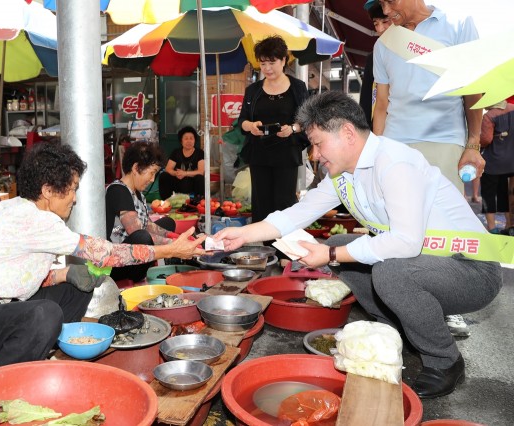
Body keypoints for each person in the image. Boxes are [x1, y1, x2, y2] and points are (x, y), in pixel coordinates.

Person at [215, 91, 503, 399]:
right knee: (344, 244)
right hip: (424, 263)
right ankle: (393, 327)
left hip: (472, 270)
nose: (314, 155)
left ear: (348, 133)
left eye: (317, 143)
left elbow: (405, 242)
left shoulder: (394, 162)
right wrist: (243, 235)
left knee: (387, 271)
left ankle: (444, 360)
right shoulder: (344, 175)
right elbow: (296, 214)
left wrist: (330, 254)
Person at [0, 141, 205, 378]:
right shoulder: (33, 219)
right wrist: (169, 251)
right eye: (73, 188)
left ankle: (40, 348)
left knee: (74, 289)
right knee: (45, 315)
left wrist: (64, 276)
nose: (75, 198)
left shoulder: (21, 210)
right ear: (48, 191)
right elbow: (106, 252)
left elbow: (11, 274)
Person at [372, 0, 485, 337]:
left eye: (390, 2)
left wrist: (473, 143)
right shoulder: (385, 43)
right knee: (394, 222)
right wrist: (375, 152)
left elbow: (473, 90)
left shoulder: (459, 25)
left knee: (444, 227)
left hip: (445, 139)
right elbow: (381, 103)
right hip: (396, 142)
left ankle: (449, 306)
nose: (387, 10)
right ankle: (395, 303)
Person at [237, 35, 310, 225]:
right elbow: (242, 122)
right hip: (259, 155)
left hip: (286, 155)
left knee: (284, 204)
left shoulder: (298, 87)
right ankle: (267, 252)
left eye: (272, 62)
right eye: (262, 64)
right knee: (261, 205)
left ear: (284, 60)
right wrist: (251, 127)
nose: (267, 68)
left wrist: (293, 128)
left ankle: (284, 251)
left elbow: (307, 120)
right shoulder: (253, 90)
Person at [107, 141, 181, 282]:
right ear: (136, 168)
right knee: (142, 238)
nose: (152, 179)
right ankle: (137, 277)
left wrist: (176, 237)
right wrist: (174, 246)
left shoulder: (138, 193)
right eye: (152, 173)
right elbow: (136, 231)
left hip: (134, 254)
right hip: (117, 263)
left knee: (168, 223)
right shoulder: (118, 191)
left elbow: (147, 225)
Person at [479, 100, 514, 234]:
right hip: (511, 161)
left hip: (493, 162)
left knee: (488, 194)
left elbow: (486, 139)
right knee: (507, 193)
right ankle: (509, 225)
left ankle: (492, 227)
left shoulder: (489, 116)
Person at [359, 0, 392, 127]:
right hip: (381, 126)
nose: (380, 29)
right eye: (375, 23)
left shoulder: (412, 49)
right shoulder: (374, 55)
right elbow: (367, 99)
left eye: (385, 21)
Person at [158, 126, 205, 199]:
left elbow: (201, 171)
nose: (189, 141)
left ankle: (198, 202)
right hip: (178, 181)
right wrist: (176, 173)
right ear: (181, 141)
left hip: (192, 183)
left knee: (200, 178)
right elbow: (168, 169)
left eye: (191, 138)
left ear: (195, 140)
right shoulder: (176, 152)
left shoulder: (200, 153)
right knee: (164, 176)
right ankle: (166, 201)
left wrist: (185, 173)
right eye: (186, 138)